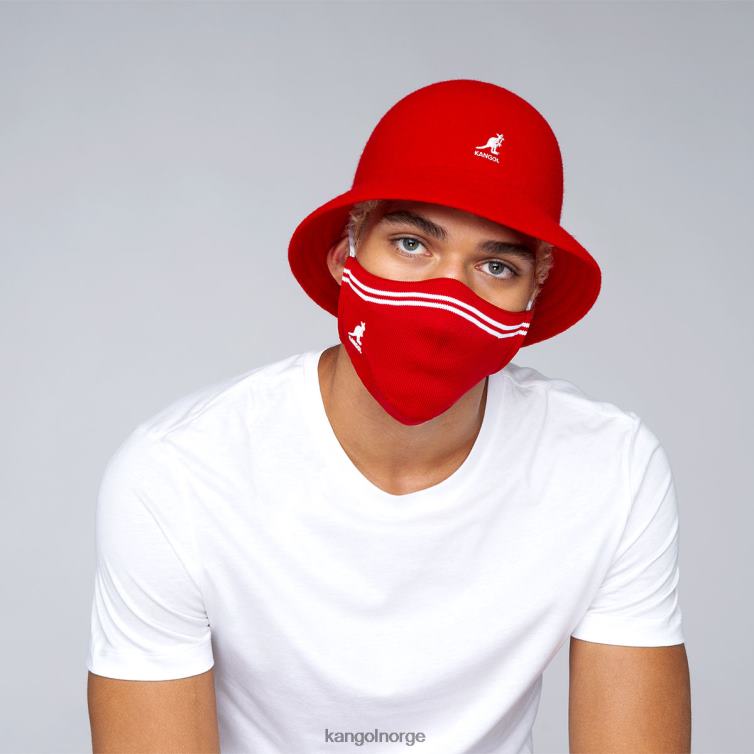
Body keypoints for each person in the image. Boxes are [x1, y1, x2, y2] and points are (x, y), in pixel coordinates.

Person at [86, 79, 691, 753]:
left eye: (496, 265)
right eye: (410, 244)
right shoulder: (181, 474)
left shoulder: (607, 467)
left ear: (532, 299)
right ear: (345, 258)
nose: (447, 295)